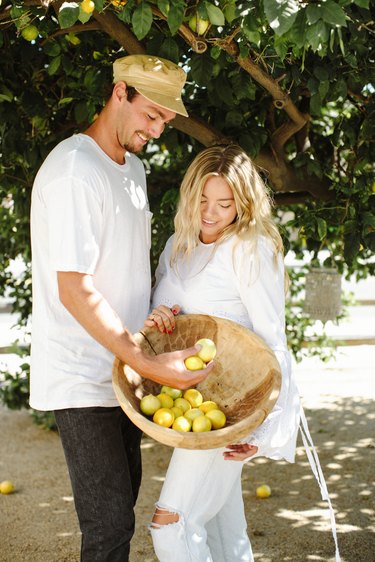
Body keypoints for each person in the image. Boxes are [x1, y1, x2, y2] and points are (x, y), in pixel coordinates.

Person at [29, 54, 212, 562]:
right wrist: (149, 362)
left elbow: (125, 268)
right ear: (119, 93)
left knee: (121, 509)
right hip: (82, 375)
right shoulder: (73, 170)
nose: (156, 129)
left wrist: (153, 319)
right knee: (108, 525)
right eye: (150, 114)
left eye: (165, 121)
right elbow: (74, 288)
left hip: (124, 372)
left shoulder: (133, 169)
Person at [145, 144, 302, 561]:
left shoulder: (250, 248)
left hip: (231, 409)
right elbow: (169, 314)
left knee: (171, 524)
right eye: (202, 200)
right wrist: (159, 314)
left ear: (243, 204)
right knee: (224, 533)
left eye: (225, 204)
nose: (211, 213)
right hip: (189, 406)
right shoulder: (176, 245)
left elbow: (273, 338)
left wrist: (265, 428)